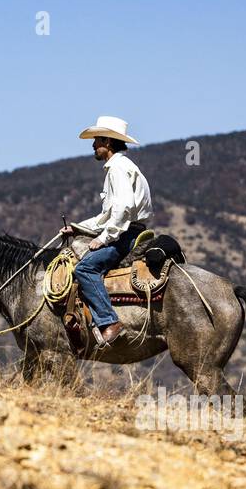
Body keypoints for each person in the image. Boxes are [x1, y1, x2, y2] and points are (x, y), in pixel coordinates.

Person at [60, 116, 153, 349]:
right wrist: (78, 227)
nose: (93, 145)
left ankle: (109, 322)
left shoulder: (117, 169)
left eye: (97, 140)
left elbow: (122, 210)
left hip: (126, 234)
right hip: (129, 230)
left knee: (85, 268)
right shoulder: (123, 167)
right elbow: (107, 216)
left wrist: (103, 239)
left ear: (108, 142)